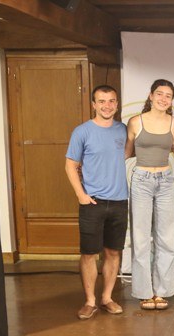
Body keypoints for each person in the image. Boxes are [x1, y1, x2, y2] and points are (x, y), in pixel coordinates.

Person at [65, 85, 128, 320]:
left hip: (119, 201)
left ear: (117, 104)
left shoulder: (123, 130)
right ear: (93, 104)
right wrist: (81, 195)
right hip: (92, 202)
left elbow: (130, 153)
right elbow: (70, 165)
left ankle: (107, 298)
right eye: (101, 101)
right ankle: (90, 301)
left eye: (111, 101)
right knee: (89, 253)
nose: (107, 106)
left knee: (113, 252)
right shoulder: (82, 131)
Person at [125, 79, 174, 311]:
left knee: (166, 239)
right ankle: (144, 293)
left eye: (168, 95)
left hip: (166, 180)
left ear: (172, 100)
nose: (163, 98)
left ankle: (162, 292)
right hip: (141, 179)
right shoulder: (135, 122)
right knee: (141, 239)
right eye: (159, 94)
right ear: (151, 96)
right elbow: (126, 153)